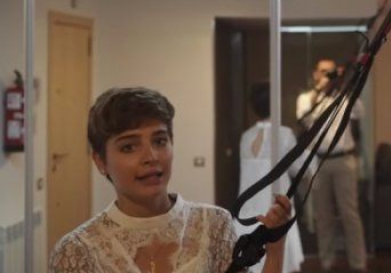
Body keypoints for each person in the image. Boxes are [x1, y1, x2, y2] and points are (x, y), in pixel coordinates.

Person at [49, 87, 289, 273]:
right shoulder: (77, 250)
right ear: (100, 161)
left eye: (160, 141)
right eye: (129, 147)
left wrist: (275, 249)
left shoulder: (214, 225)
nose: (150, 157)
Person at [296, 59, 367, 272]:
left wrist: (347, 85)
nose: (328, 75)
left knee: (350, 215)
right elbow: (304, 119)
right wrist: (321, 90)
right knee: (323, 216)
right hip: (319, 162)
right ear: (315, 74)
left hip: (344, 160)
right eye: (323, 72)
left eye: (331, 72)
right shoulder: (306, 98)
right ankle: (327, 263)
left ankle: (358, 264)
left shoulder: (344, 96)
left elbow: (360, 112)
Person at [237, 82, 312, 273]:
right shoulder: (284, 134)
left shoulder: (246, 137)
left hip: (248, 208)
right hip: (274, 207)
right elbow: (301, 168)